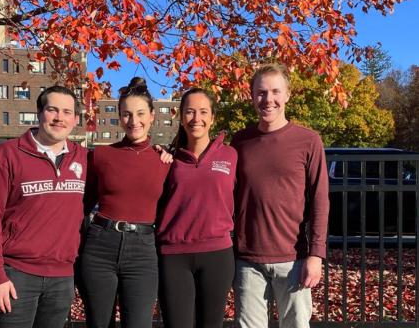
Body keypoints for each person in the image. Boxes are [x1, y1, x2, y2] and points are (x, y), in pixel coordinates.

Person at [0, 85, 87, 328]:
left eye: (67, 112)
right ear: (39, 113)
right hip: (16, 275)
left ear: (76, 119)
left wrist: (160, 152)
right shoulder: (6, 155)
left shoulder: (84, 158)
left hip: (62, 277)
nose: (60, 118)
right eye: (52, 110)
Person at [231, 63, 329, 328]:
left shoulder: (308, 141)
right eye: (261, 92)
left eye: (275, 91)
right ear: (251, 96)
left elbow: (320, 201)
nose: (268, 100)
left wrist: (316, 255)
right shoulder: (239, 143)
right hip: (247, 259)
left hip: (294, 258)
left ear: (287, 94)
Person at [79, 77, 171, 328]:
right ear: (120, 117)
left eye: (140, 113)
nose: (134, 121)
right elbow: (81, 206)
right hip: (100, 245)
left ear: (152, 116)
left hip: (143, 250)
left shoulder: (164, 161)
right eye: (126, 114)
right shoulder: (101, 155)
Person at [156, 88, 237, 328]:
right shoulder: (167, 159)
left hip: (217, 255)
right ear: (181, 117)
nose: (196, 118)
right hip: (174, 256)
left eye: (203, 112)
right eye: (189, 112)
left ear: (213, 117)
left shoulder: (231, 155)